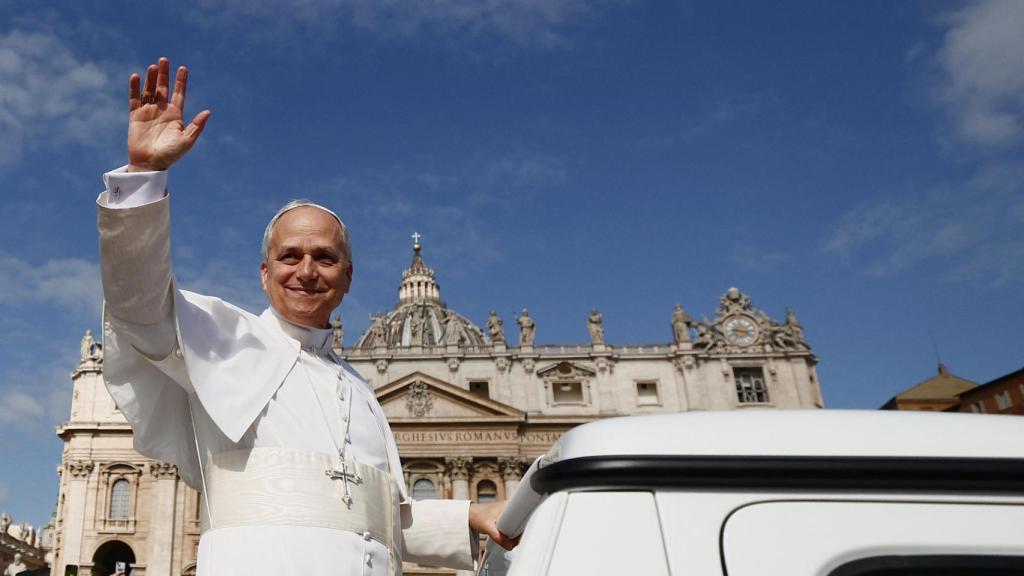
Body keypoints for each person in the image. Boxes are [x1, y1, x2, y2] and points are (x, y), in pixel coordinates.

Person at [97, 57, 513, 576]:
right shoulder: (222, 339)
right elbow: (137, 305)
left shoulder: (363, 393)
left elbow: (370, 523)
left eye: (325, 257)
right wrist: (143, 176)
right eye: (291, 256)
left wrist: (473, 514)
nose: (307, 270)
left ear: (348, 277)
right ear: (264, 272)